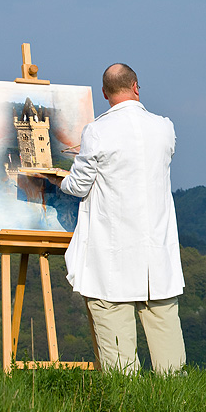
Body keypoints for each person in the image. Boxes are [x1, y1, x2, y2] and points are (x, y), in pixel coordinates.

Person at [46, 63, 186, 375]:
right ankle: (177, 404)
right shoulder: (164, 127)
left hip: (113, 255)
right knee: (169, 355)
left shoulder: (97, 131)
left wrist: (57, 178)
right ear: (137, 86)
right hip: (156, 257)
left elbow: (80, 185)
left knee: (119, 361)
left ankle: (127, 406)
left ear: (104, 94)